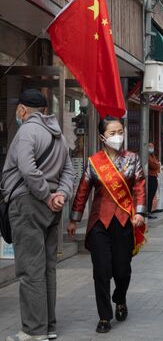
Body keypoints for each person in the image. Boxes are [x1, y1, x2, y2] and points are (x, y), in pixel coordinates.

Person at [2, 89, 75, 341]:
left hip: (28, 204)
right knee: (47, 269)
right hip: (52, 208)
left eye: (17, 110)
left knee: (30, 270)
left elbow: (27, 168)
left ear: (22, 110)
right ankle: (48, 326)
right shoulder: (58, 136)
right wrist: (60, 196)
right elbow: (68, 171)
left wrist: (45, 195)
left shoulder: (26, 132)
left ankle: (33, 331)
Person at [67, 117, 146, 334]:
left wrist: (140, 213)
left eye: (120, 131)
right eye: (112, 133)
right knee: (101, 270)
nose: (117, 136)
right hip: (99, 222)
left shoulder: (133, 159)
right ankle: (104, 316)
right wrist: (74, 219)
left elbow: (139, 187)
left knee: (122, 270)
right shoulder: (94, 163)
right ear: (103, 137)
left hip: (123, 221)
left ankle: (120, 297)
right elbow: (82, 191)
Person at [147, 142, 161, 219]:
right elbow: (154, 165)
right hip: (150, 177)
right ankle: (147, 212)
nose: (151, 148)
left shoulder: (152, 156)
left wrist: (157, 165)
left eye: (152, 147)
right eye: (150, 147)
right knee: (149, 195)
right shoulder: (147, 156)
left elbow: (157, 165)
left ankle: (149, 211)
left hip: (154, 176)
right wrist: (157, 165)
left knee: (152, 194)